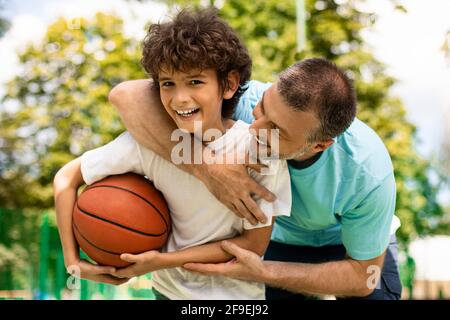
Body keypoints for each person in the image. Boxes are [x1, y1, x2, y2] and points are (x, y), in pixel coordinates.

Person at [109, 57, 403, 299]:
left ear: (319, 144)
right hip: (275, 240)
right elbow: (126, 95)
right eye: (262, 108)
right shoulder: (244, 100)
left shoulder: (367, 173)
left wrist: (265, 272)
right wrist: (207, 168)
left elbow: (362, 275)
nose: (254, 127)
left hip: (351, 247)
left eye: (276, 129)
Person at [53, 8, 291, 300]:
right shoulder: (147, 144)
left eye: (195, 82)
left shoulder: (259, 149)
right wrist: (72, 260)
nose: (180, 98)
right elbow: (66, 178)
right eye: (168, 84)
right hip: (166, 294)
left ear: (229, 84)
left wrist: (162, 261)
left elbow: (253, 246)